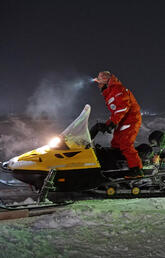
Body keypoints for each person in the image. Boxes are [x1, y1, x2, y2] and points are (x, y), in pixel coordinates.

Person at [93, 71, 143, 178]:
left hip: (130, 120)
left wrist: (112, 123)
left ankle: (136, 170)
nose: (98, 85)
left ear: (106, 82)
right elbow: (115, 113)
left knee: (125, 144)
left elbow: (122, 108)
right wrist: (107, 124)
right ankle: (118, 166)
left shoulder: (117, 90)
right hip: (122, 121)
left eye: (100, 83)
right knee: (115, 144)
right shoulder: (110, 92)